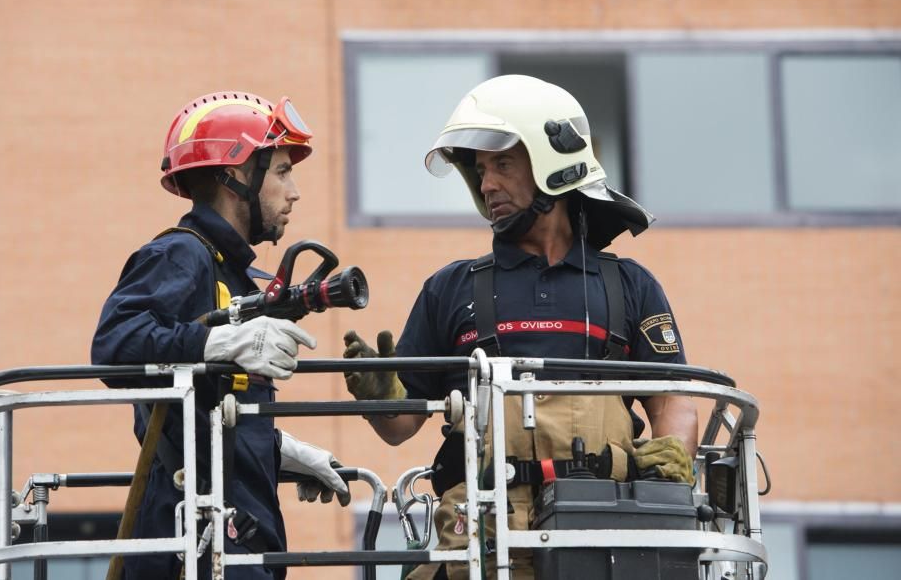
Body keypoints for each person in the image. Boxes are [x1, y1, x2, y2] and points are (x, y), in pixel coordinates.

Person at [342, 75, 698, 579]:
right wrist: (382, 397)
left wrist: (671, 465)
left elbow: (673, 401)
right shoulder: (450, 288)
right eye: (482, 171)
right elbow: (400, 429)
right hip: (483, 550)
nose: (487, 185)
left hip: (601, 543)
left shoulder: (629, 286)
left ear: (553, 163)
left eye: (503, 165)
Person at [92, 91, 350, 580]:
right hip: (191, 542)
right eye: (280, 172)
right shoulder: (180, 254)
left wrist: (280, 449)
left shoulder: (230, 274)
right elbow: (115, 343)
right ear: (235, 179)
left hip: (234, 536)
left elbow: (209, 409)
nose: (293, 191)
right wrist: (216, 344)